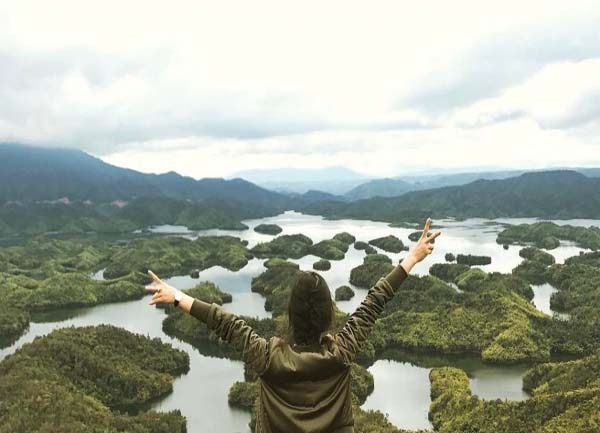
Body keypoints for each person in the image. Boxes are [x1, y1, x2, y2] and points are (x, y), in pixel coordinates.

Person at [146, 218, 440, 433]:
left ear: (290, 314)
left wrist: (177, 297)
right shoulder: (342, 352)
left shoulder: (268, 358)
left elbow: (224, 322)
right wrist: (412, 258)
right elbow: (374, 302)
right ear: (328, 313)